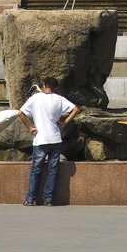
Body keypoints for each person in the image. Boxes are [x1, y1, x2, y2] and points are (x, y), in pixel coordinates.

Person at [17, 77, 79, 207]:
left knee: (36, 169)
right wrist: (64, 122)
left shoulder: (35, 98)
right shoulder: (59, 99)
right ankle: (48, 199)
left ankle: (30, 198)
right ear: (56, 88)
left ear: (44, 86)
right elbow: (75, 110)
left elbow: (20, 113)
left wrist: (30, 128)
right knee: (53, 170)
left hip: (40, 139)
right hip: (55, 139)